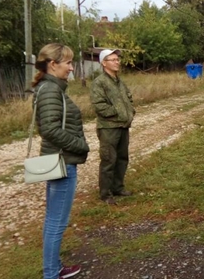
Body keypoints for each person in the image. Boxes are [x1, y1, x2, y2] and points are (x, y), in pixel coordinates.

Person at [32, 43, 89, 279]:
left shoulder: (52, 88)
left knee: (53, 219)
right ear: (53, 65)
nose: (72, 68)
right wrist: (81, 146)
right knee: (57, 222)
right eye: (67, 63)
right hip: (62, 163)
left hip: (59, 160)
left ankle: (53, 269)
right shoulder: (50, 90)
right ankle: (51, 274)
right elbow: (50, 130)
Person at [91, 49, 135, 205]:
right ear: (104, 63)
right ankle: (106, 193)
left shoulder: (119, 81)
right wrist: (118, 113)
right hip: (108, 128)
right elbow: (99, 106)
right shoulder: (99, 82)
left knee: (122, 159)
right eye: (113, 59)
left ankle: (118, 187)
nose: (117, 62)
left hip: (123, 126)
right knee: (109, 160)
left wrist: (130, 111)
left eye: (117, 59)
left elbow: (128, 98)